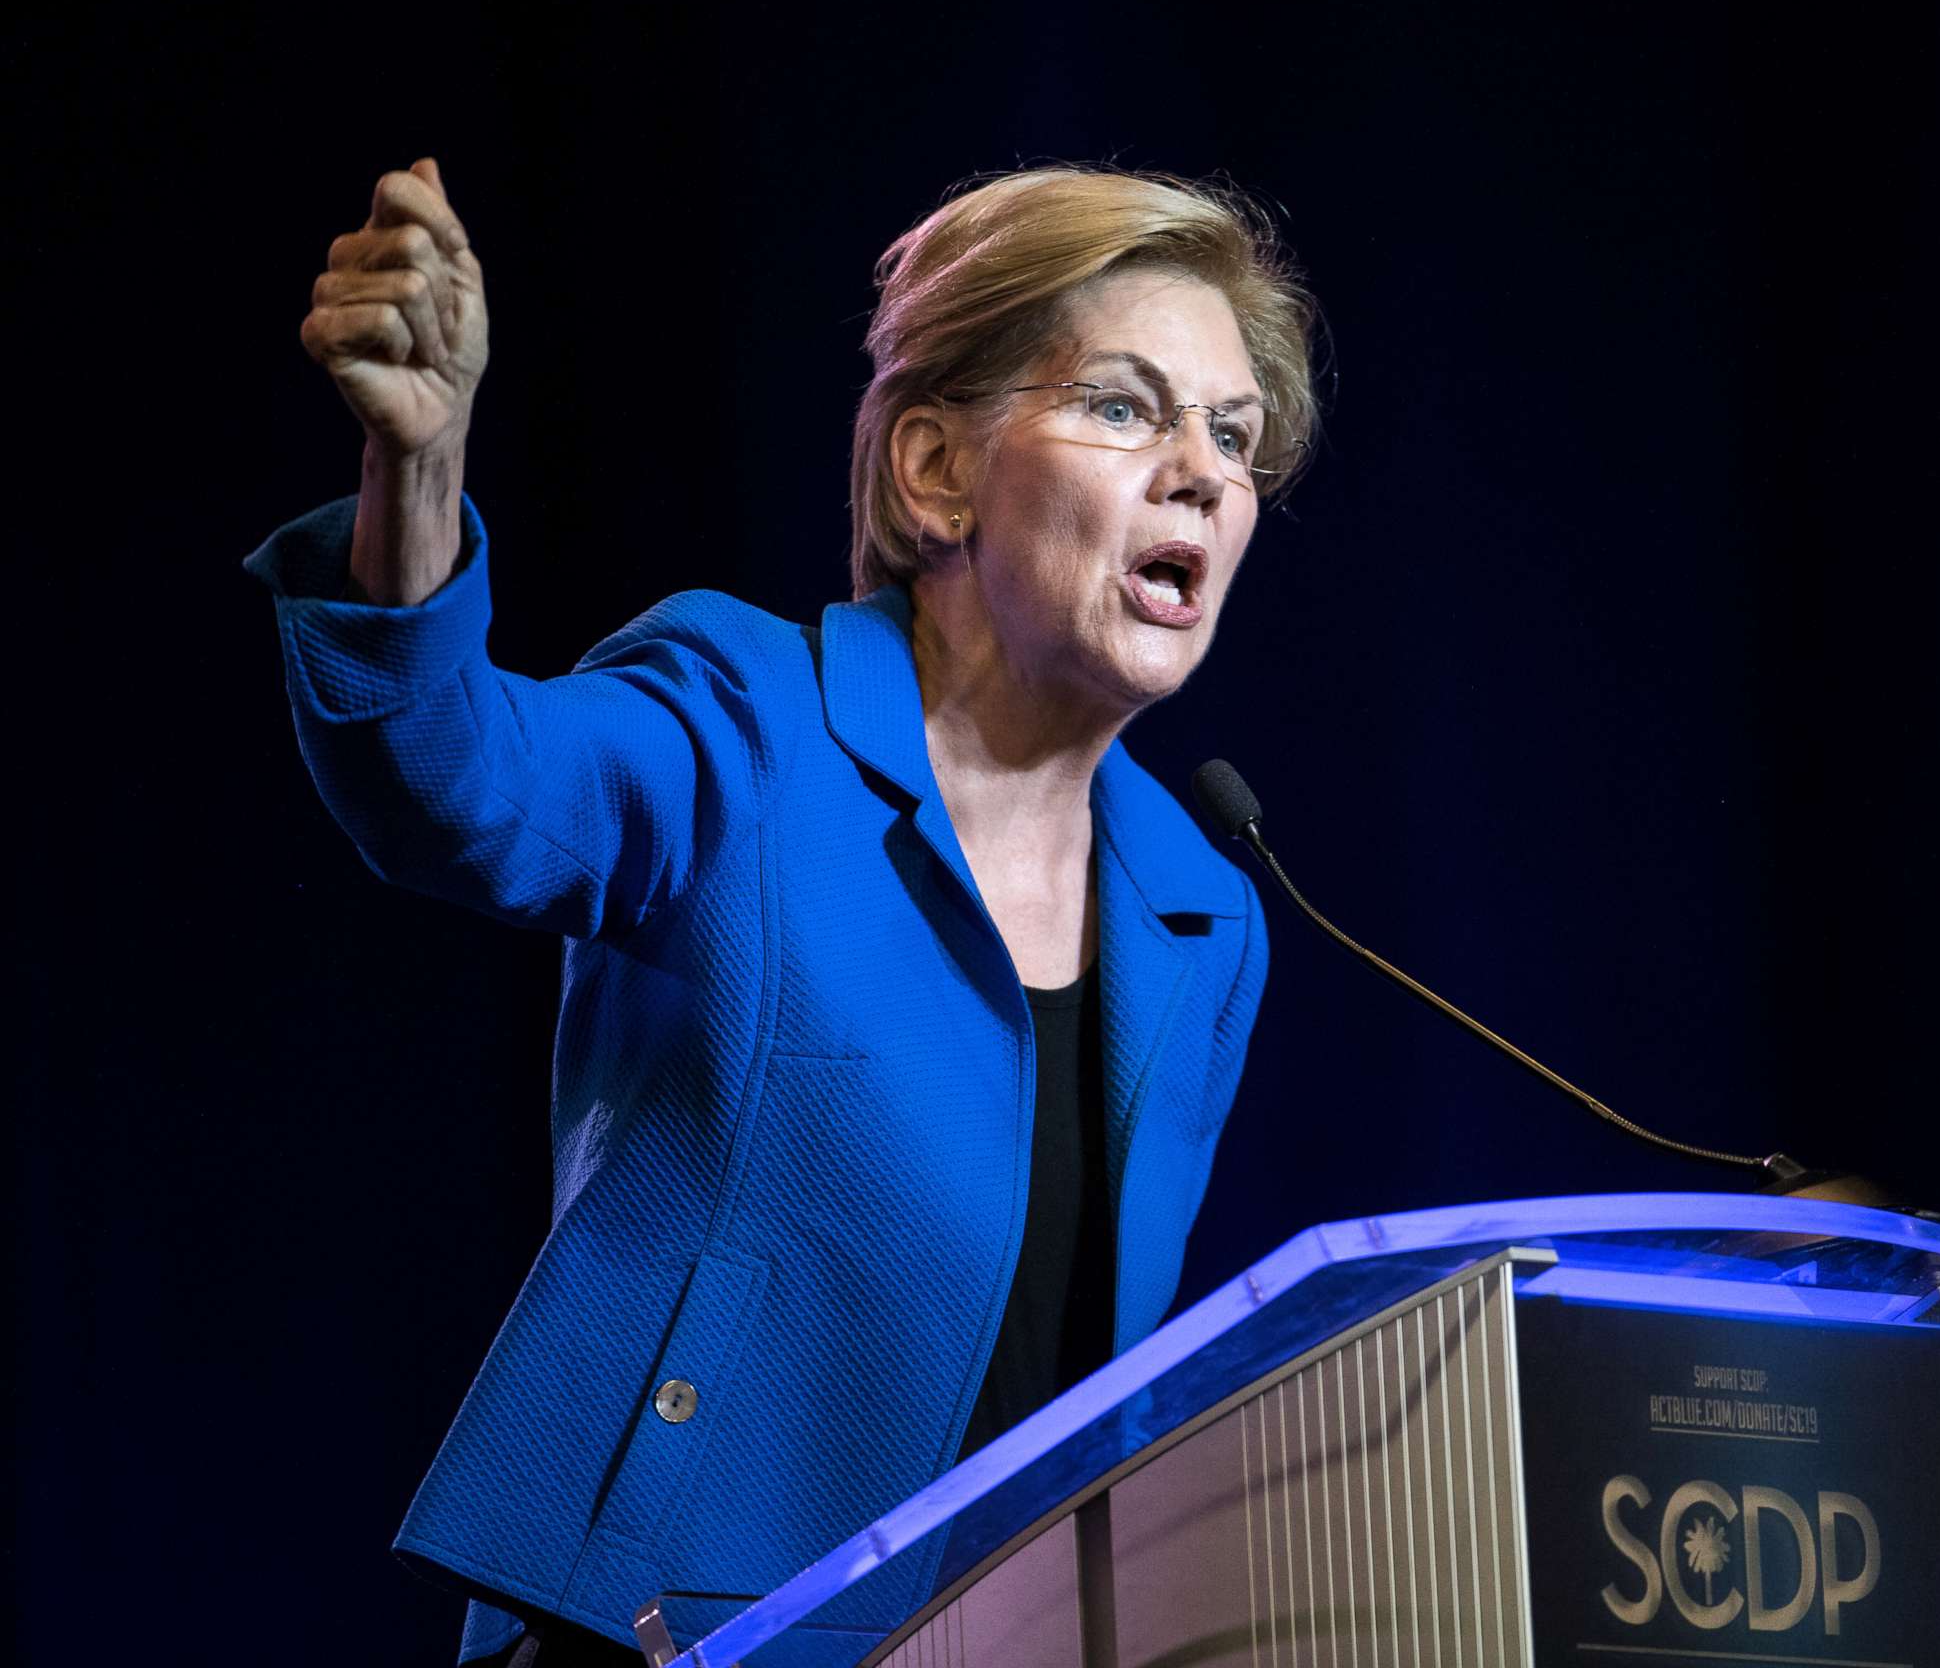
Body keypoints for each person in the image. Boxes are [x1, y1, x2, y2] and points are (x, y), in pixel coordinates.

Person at [245, 157, 1320, 1665]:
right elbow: (459, 785)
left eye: (1235, 435)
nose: (1203, 474)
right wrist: (417, 475)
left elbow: (1103, 1409)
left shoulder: (1205, 914)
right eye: (1128, 408)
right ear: (935, 471)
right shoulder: (750, 727)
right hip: (659, 1640)